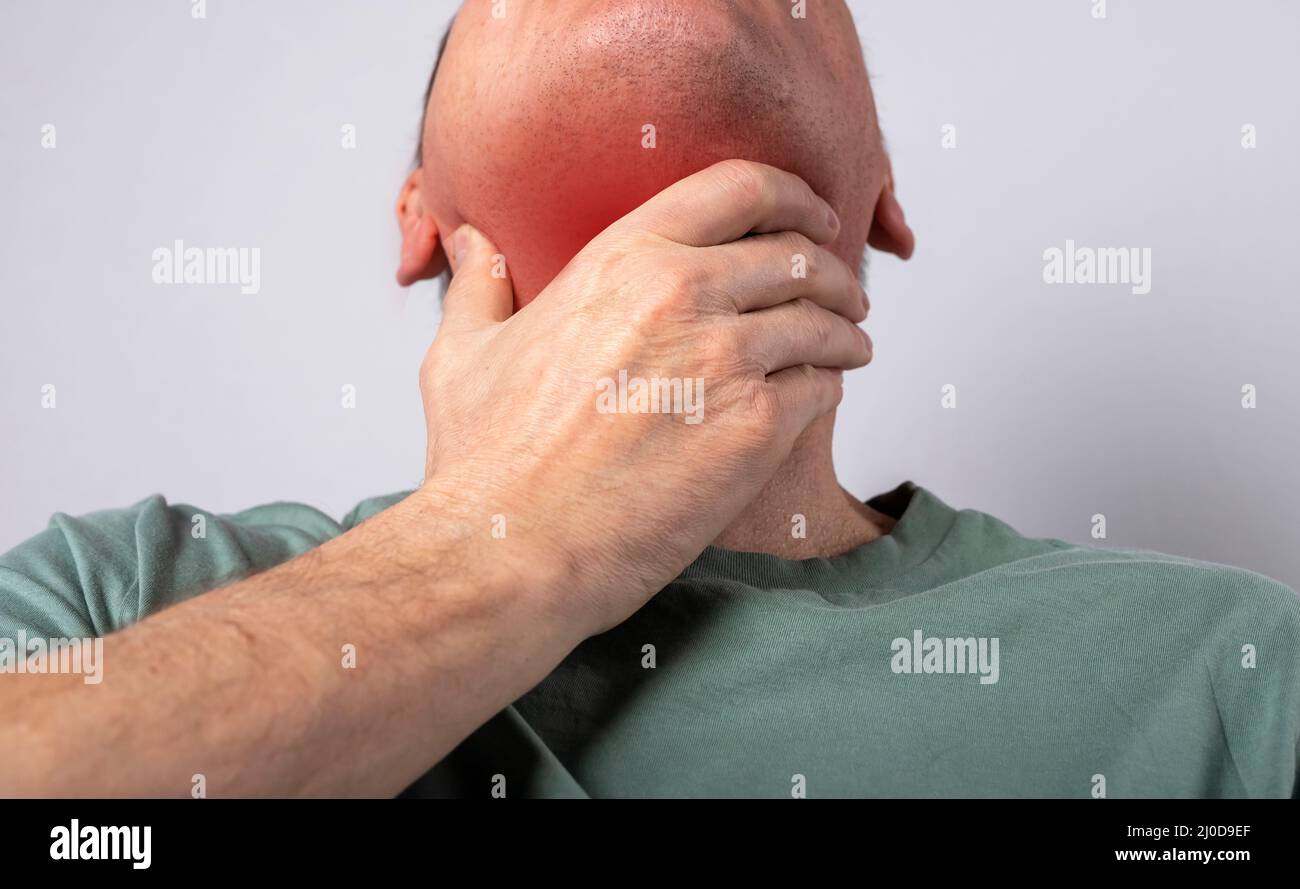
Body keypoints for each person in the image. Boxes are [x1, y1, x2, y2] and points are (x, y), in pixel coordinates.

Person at [3, 0, 1297, 798]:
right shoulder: (113, 594)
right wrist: (502, 547)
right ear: (418, 220)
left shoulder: (1233, 675)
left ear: (883, 199)